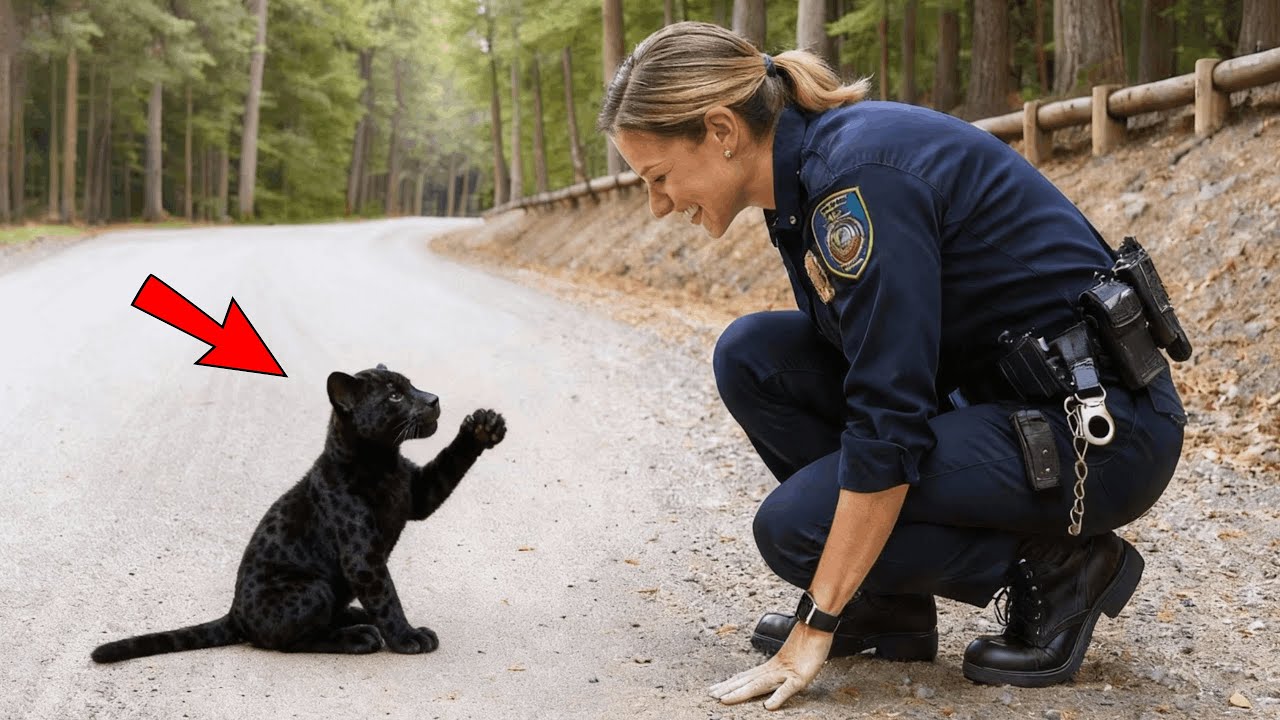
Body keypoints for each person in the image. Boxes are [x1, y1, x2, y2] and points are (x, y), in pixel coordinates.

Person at [597, 21, 1189, 711]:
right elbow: (871, 364)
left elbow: (888, 416)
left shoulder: (855, 182)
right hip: (1003, 402)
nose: (659, 204)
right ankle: (887, 604)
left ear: (722, 129)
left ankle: (1061, 567)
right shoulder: (805, 176)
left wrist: (816, 618)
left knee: (795, 533)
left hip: (1101, 433)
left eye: (659, 177)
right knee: (753, 357)